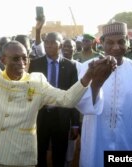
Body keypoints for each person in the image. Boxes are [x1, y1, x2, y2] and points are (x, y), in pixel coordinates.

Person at [0, 5, 116, 167]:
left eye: (25, 58)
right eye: (15, 58)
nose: (22, 63)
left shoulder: (37, 82)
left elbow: (68, 100)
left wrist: (88, 76)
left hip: (19, 155)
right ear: (3, 59)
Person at [79, 22, 132, 167]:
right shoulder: (87, 67)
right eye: (110, 42)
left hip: (126, 142)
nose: (116, 47)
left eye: (121, 42)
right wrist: (96, 82)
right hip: (95, 142)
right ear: (101, 43)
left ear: (128, 42)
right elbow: (83, 106)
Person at [28, 33, 80, 167]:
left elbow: (73, 95)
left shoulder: (70, 66)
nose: (48, 45)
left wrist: (75, 123)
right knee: (39, 153)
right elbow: (29, 90)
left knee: (59, 154)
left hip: (61, 117)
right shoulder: (35, 64)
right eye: (46, 42)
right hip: (40, 116)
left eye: (52, 42)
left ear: (61, 45)